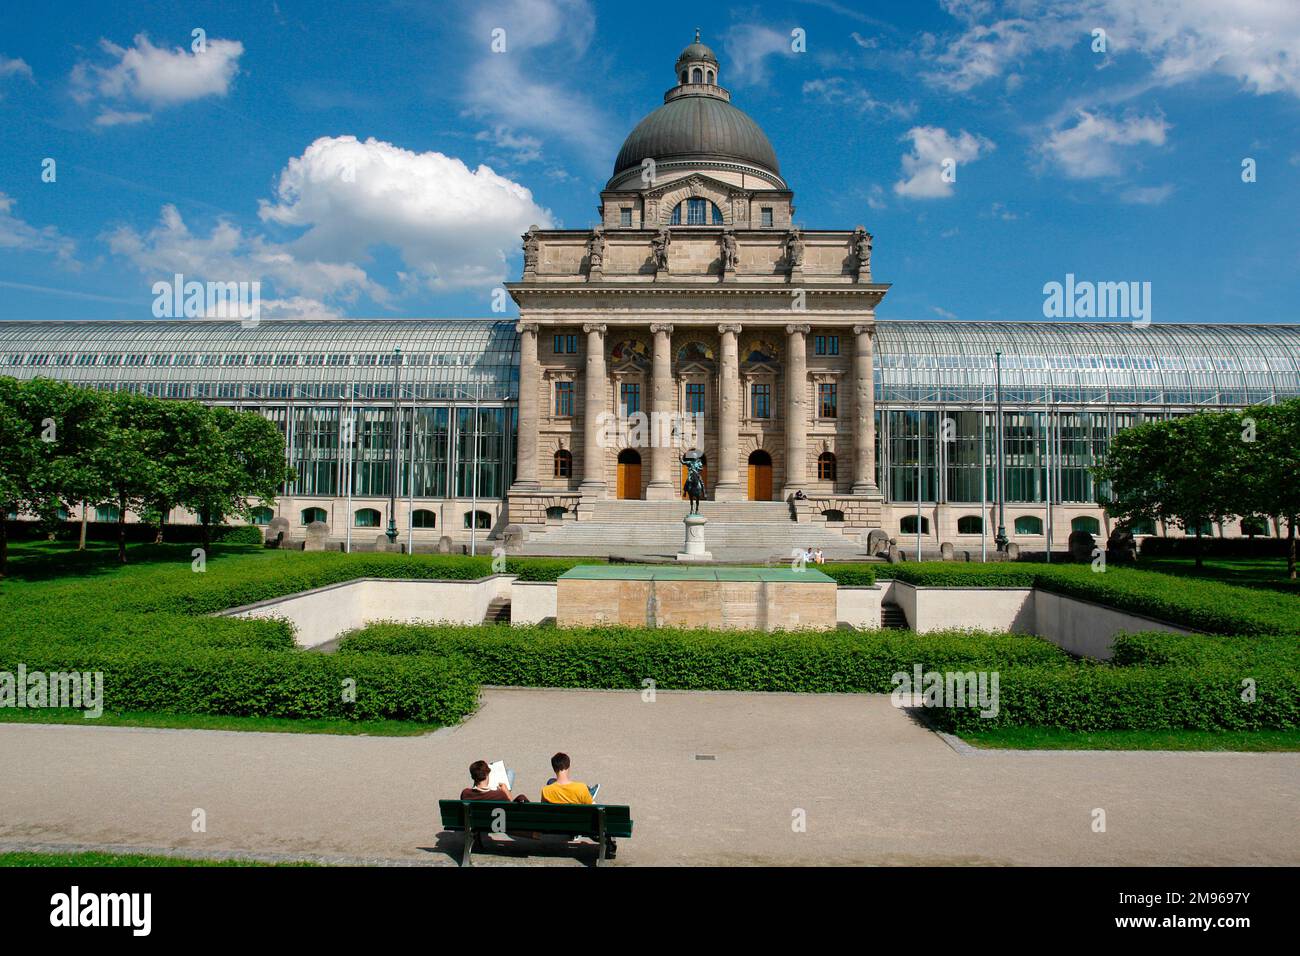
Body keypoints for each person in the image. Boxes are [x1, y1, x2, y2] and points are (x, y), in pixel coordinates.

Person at [460, 760, 529, 803]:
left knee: (510, 772)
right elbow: (510, 807)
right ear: (487, 774)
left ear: (473, 777)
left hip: (474, 825)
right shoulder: (499, 795)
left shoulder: (465, 794)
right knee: (510, 772)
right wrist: (506, 792)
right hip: (497, 826)